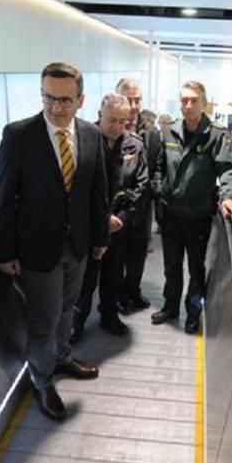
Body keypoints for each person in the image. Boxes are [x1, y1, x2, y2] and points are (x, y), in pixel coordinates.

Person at [0, 62, 109, 422]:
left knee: (67, 308)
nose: (56, 108)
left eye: (64, 100)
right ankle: (42, 380)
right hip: (37, 248)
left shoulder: (90, 134)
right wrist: (5, 250)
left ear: (80, 99)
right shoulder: (19, 135)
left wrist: (101, 236)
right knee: (43, 318)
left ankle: (61, 357)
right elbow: (4, 196)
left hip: (79, 245)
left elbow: (97, 191)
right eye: (48, 98)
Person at [153, 81, 232, 334]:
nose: (188, 105)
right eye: (184, 100)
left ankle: (193, 312)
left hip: (198, 216)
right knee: (171, 266)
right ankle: (171, 307)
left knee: (195, 268)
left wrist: (229, 196)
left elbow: (228, 169)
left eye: (194, 100)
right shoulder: (169, 131)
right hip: (171, 214)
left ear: (204, 103)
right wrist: (160, 189)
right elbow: (159, 165)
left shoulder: (216, 135)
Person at [71, 93, 148, 342]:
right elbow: (75, 187)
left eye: (123, 121)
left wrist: (122, 217)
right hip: (90, 227)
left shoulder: (134, 145)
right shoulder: (83, 141)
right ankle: (76, 322)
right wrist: (101, 219)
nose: (117, 127)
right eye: (111, 120)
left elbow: (140, 185)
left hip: (119, 225)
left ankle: (109, 314)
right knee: (85, 280)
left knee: (113, 275)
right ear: (99, 115)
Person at [113, 78, 155, 312]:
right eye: (129, 99)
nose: (134, 105)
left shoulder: (151, 132)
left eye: (137, 99)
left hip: (142, 210)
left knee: (138, 255)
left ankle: (133, 291)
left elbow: (154, 169)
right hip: (119, 210)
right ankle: (118, 295)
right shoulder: (107, 129)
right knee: (116, 257)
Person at [138, 109, 162, 253]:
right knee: (147, 214)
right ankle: (147, 240)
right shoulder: (153, 133)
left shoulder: (151, 133)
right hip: (148, 182)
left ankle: (146, 240)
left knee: (146, 214)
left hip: (147, 182)